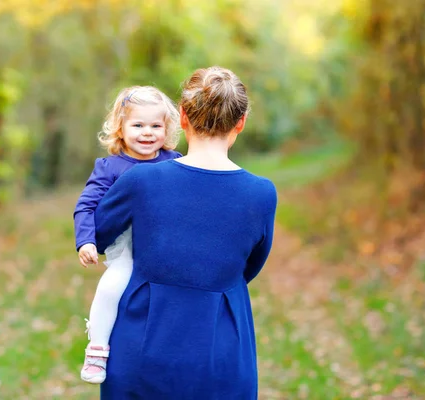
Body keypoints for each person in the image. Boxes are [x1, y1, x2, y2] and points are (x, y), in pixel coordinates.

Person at [93, 66, 278, 399]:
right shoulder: (261, 193)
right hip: (222, 353)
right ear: (241, 122)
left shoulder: (140, 181)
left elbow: (100, 234)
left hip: (142, 345)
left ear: (181, 117)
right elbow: (250, 266)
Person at [73, 86, 182, 384]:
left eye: (155, 126)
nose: (147, 133)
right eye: (138, 125)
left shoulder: (176, 162)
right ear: (120, 128)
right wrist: (86, 241)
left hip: (170, 245)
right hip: (130, 250)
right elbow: (86, 206)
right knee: (110, 289)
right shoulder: (110, 167)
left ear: (167, 128)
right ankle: (97, 350)